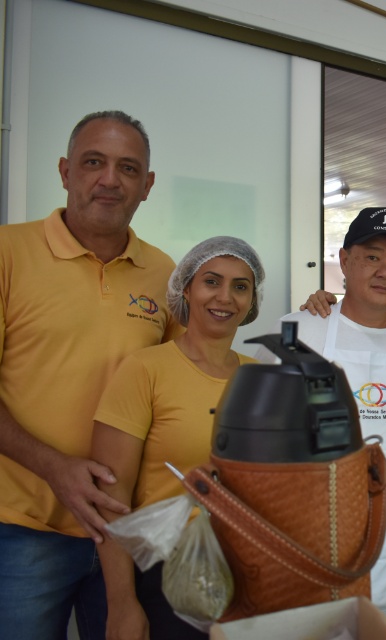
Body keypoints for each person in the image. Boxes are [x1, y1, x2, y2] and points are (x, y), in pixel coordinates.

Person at [0, 111, 178, 638]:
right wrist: (53, 465)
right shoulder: (8, 253)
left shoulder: (166, 275)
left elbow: (178, 390)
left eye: (128, 168)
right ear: (64, 171)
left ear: (146, 186)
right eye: (93, 162)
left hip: (127, 532)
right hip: (23, 530)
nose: (109, 179)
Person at [264, 207, 386, 636]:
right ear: (344, 259)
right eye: (372, 256)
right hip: (314, 540)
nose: (385, 270)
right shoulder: (299, 331)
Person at [90, 237, 264, 640]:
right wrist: (122, 603)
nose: (225, 297)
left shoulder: (260, 377)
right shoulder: (146, 370)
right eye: (211, 282)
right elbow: (110, 497)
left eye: (241, 286)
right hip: (167, 573)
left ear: (252, 300)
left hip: (247, 572)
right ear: (186, 288)